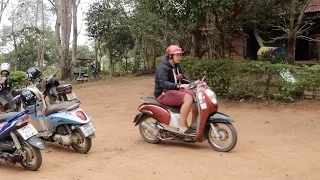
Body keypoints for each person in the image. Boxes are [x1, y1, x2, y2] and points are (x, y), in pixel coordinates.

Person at [154, 44, 198, 134]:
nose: (179, 57)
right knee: (188, 98)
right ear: (170, 56)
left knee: (195, 94)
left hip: (173, 90)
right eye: (177, 55)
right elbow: (163, 84)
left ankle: (194, 124)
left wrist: (195, 83)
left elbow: (183, 79)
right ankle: (182, 126)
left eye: (180, 55)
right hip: (163, 93)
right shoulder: (163, 67)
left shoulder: (176, 65)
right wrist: (179, 86)